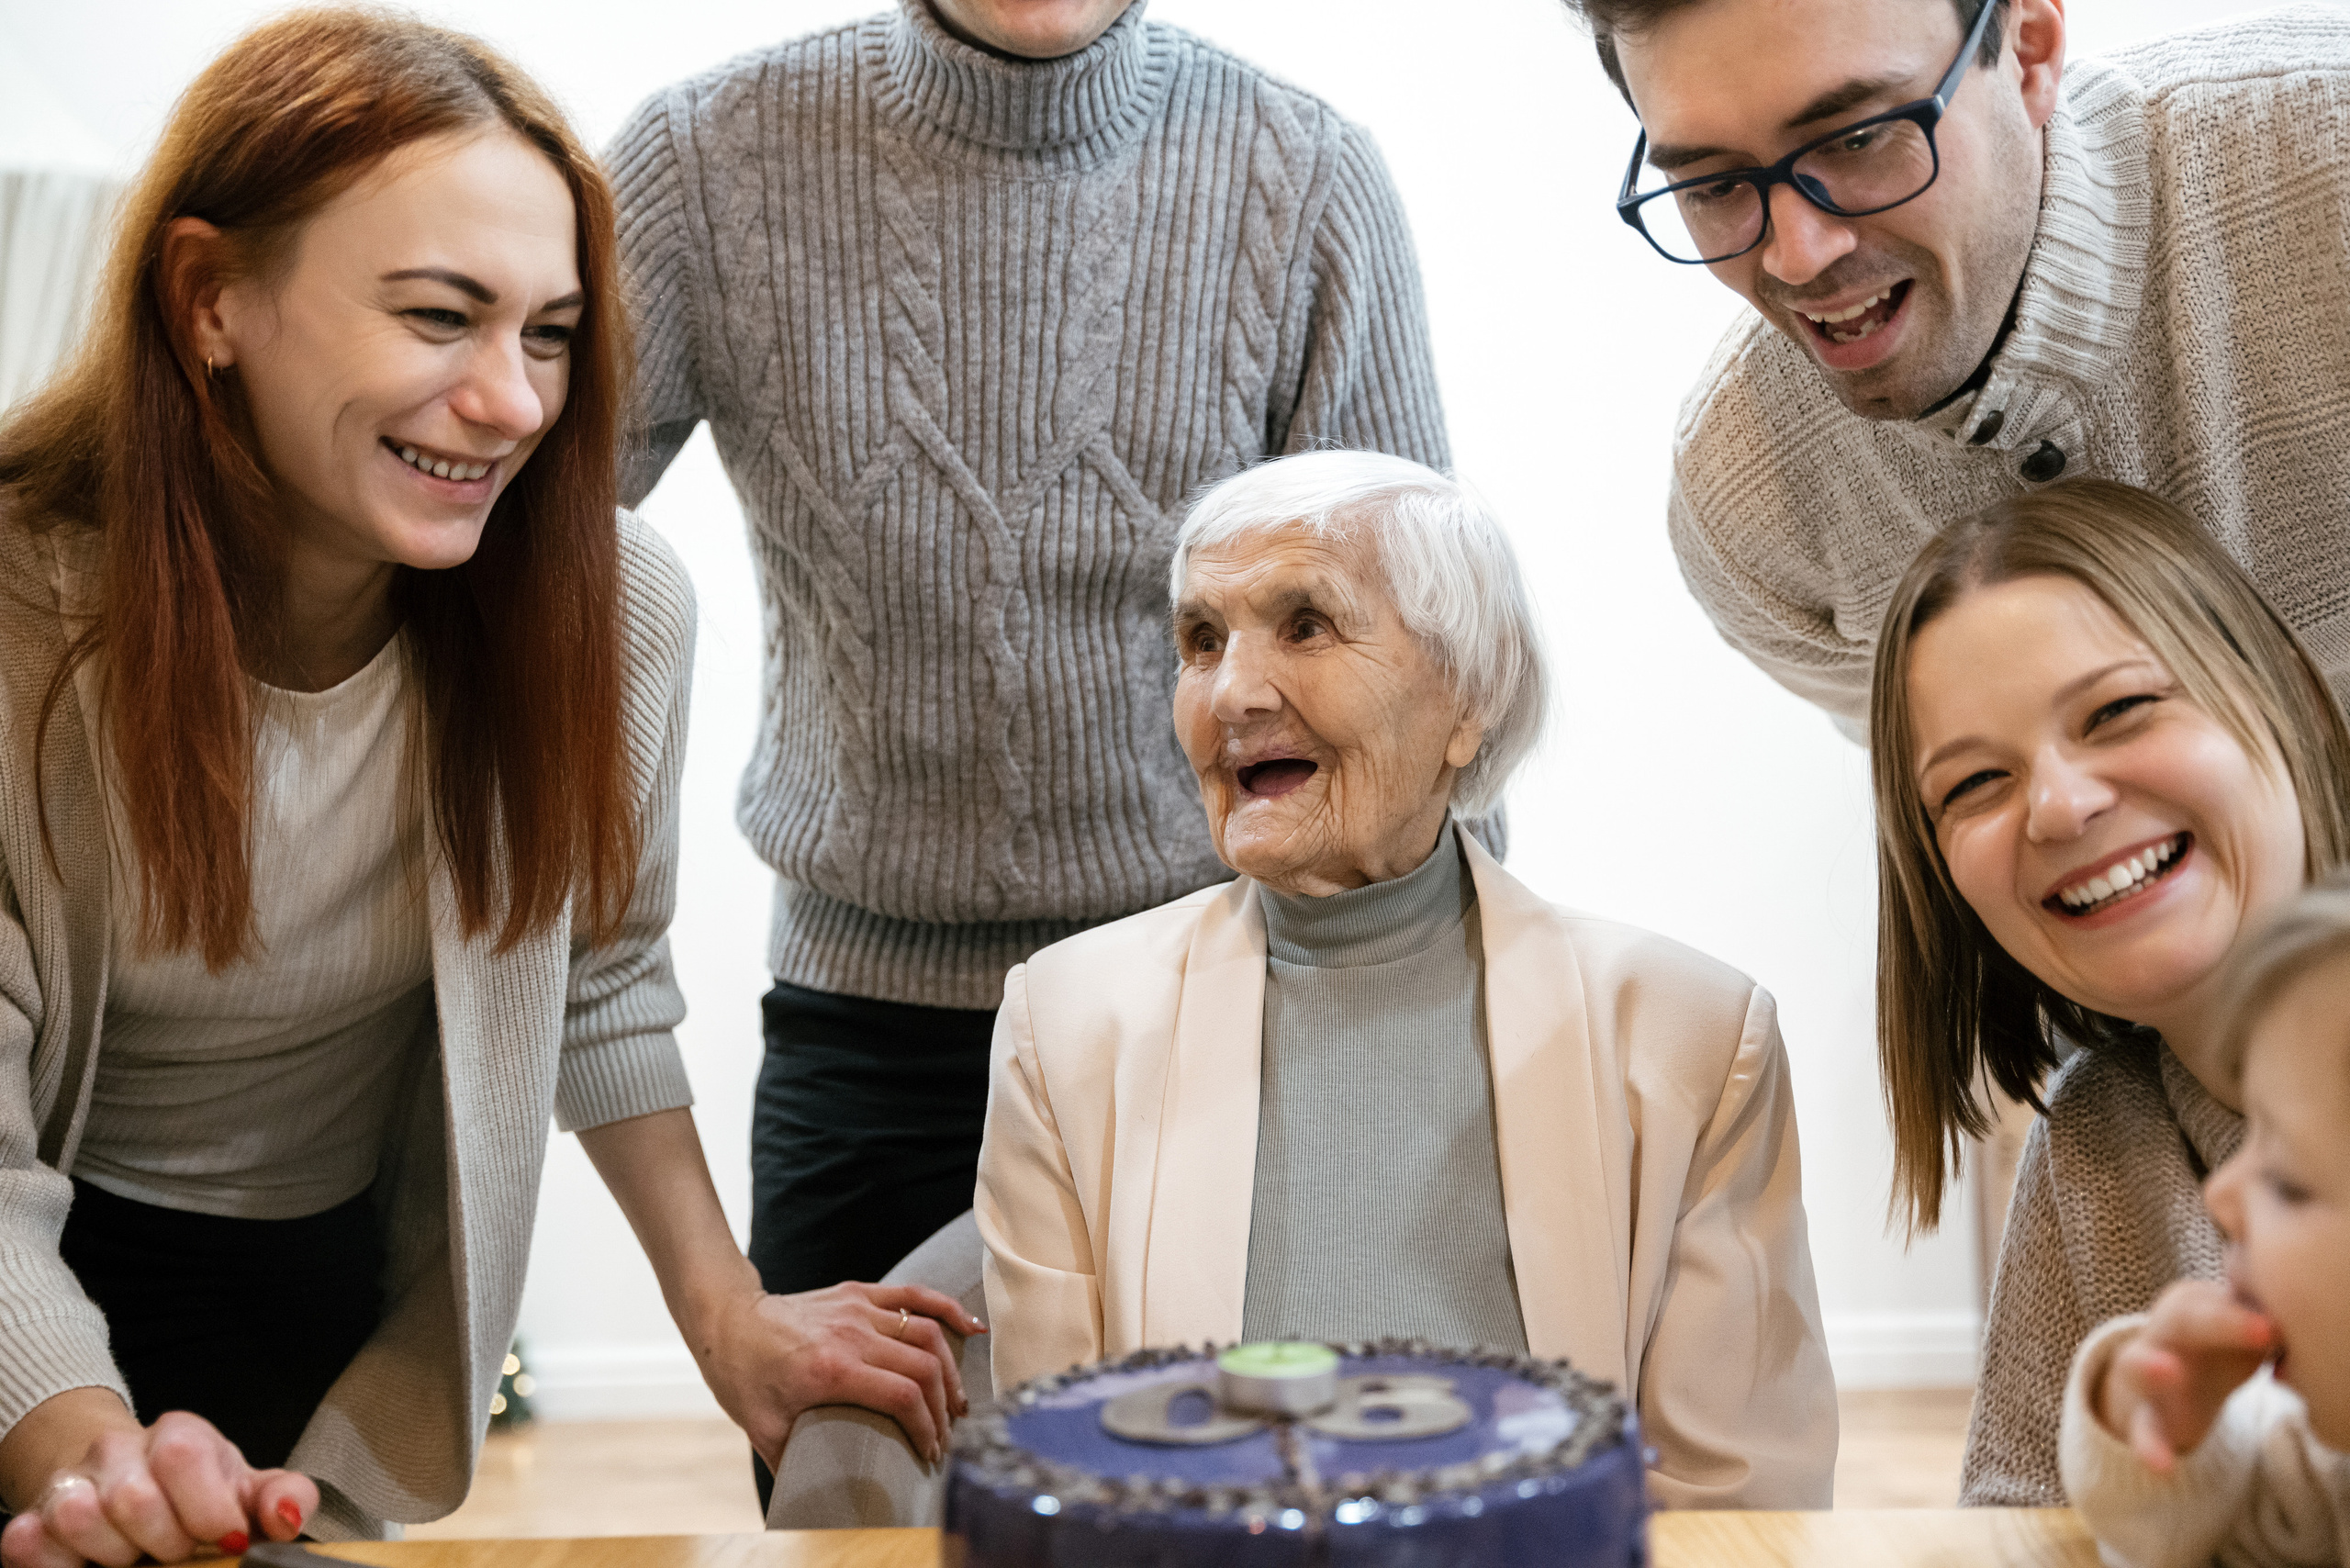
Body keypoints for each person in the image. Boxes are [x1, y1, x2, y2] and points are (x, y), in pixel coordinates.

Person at [0, 16, 970, 1565]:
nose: (515, 401)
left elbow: (599, 973)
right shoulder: (22, 623)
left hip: (315, 1284)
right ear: (209, 298)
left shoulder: (613, 612)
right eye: (441, 316)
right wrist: (92, 1459)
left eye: (551, 333)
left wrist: (727, 1315)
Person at [607, 0, 1455, 1344]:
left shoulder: (1303, 179)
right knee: (849, 1474)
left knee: (1228, 1471)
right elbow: (493, 543)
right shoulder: (703, 160)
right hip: (865, 1031)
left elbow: (1413, 655)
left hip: (1225, 996)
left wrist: (1437, 1028)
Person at [975, 451, 1837, 1509]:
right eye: (1202, 640)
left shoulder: (1690, 1033)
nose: (1233, 692)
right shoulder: (1064, 1022)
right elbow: (1067, 1473)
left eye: (1305, 625)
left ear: (1468, 694)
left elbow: (1734, 1498)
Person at [1561, 0, 2350, 733]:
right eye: (1717, 185)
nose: (1798, 257)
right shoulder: (1752, 513)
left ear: (2029, 52)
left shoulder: (2330, 161)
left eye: (1858, 139)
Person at [1869, 478, 2350, 1506]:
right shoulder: (2092, 1134)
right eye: (1973, 784)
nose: (2058, 805)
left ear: (2296, 701)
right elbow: (2013, 1525)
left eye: (2119, 710)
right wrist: (2133, 1437)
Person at [2057, 876, 2350, 1568]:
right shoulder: (2323, 1474)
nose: (2220, 1192)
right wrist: (2162, 1429)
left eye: (2287, 1182)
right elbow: (2182, 1538)